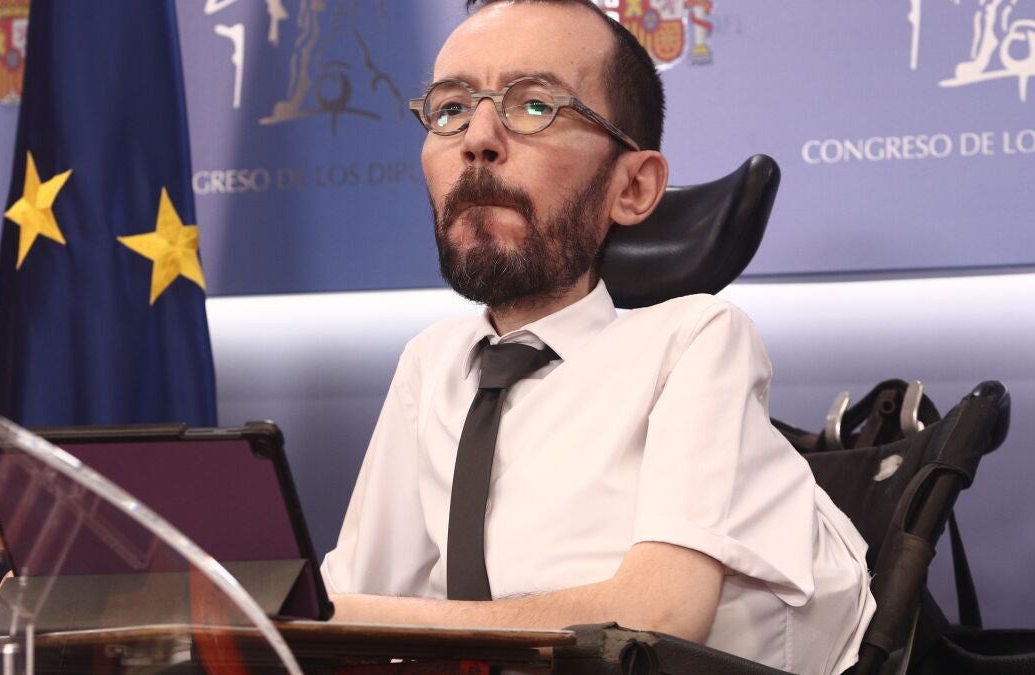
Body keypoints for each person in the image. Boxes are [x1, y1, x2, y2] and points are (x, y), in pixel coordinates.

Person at [320, 1, 875, 672]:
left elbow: (657, 618)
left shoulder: (695, 338)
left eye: (534, 106)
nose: (477, 138)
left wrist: (361, 621)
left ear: (633, 187)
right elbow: (339, 603)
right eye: (451, 110)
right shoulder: (432, 362)